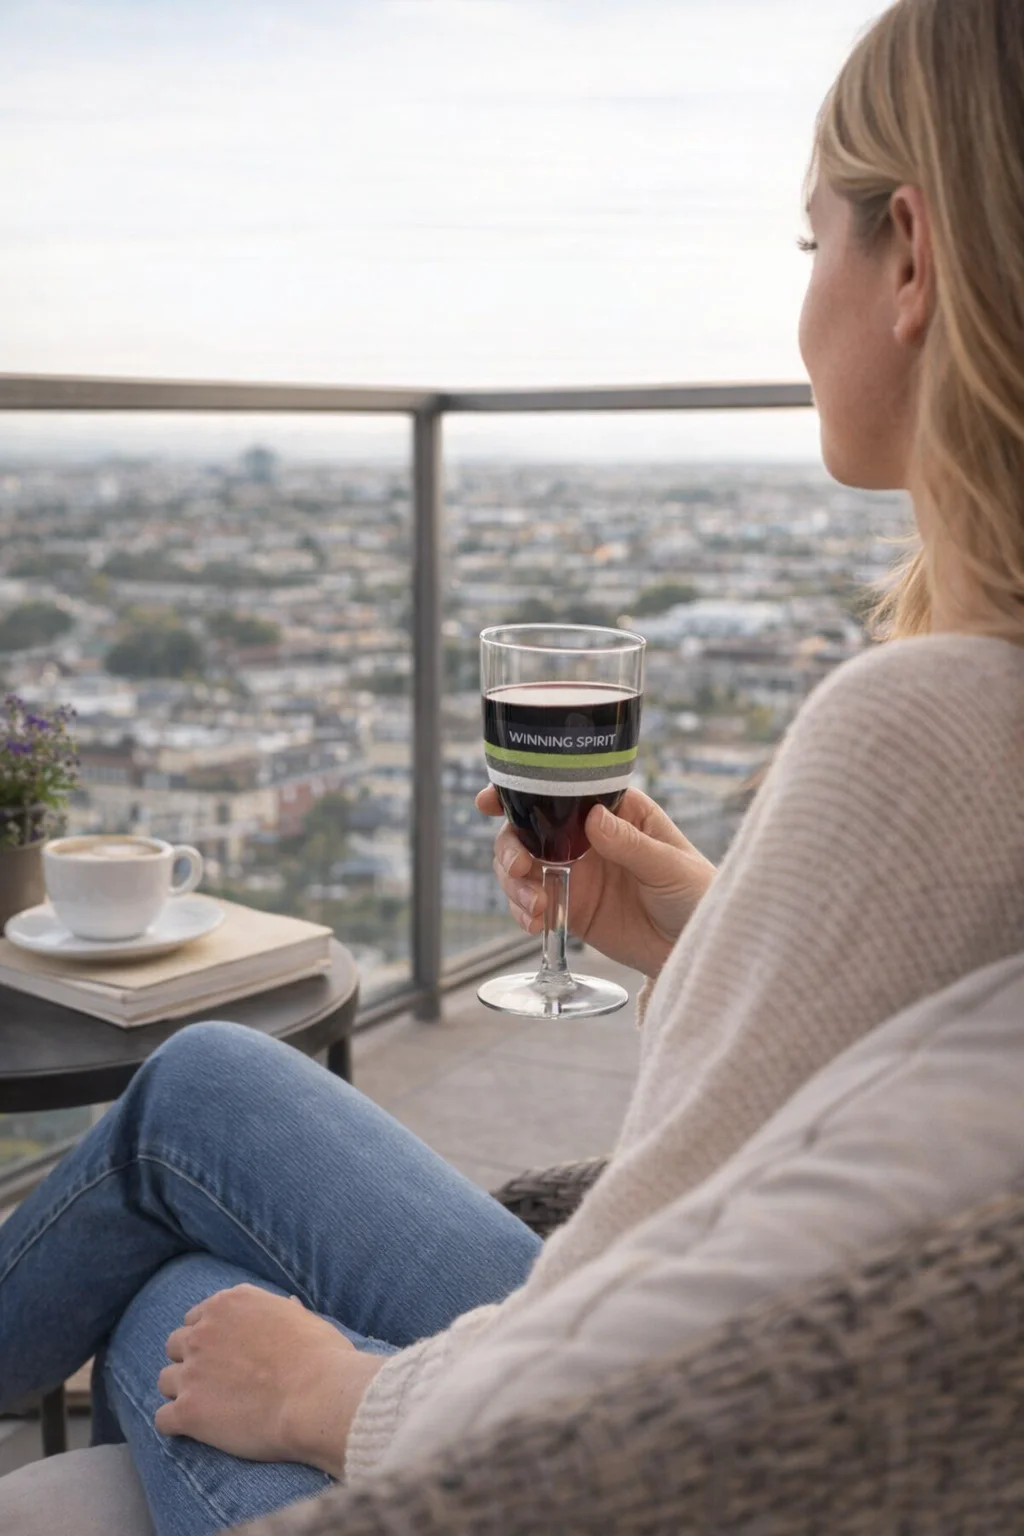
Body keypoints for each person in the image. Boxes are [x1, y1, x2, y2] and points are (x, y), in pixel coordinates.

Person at [5, 0, 1024, 1530]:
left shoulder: (927, 724)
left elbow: (636, 1323)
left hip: (594, 1459)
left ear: (914, 260)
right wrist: (702, 927)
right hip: (809, 1420)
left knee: (184, 1303)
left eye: (806, 243)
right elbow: (843, 1137)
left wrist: (329, 1397)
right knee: (207, 1079)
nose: (798, 302)